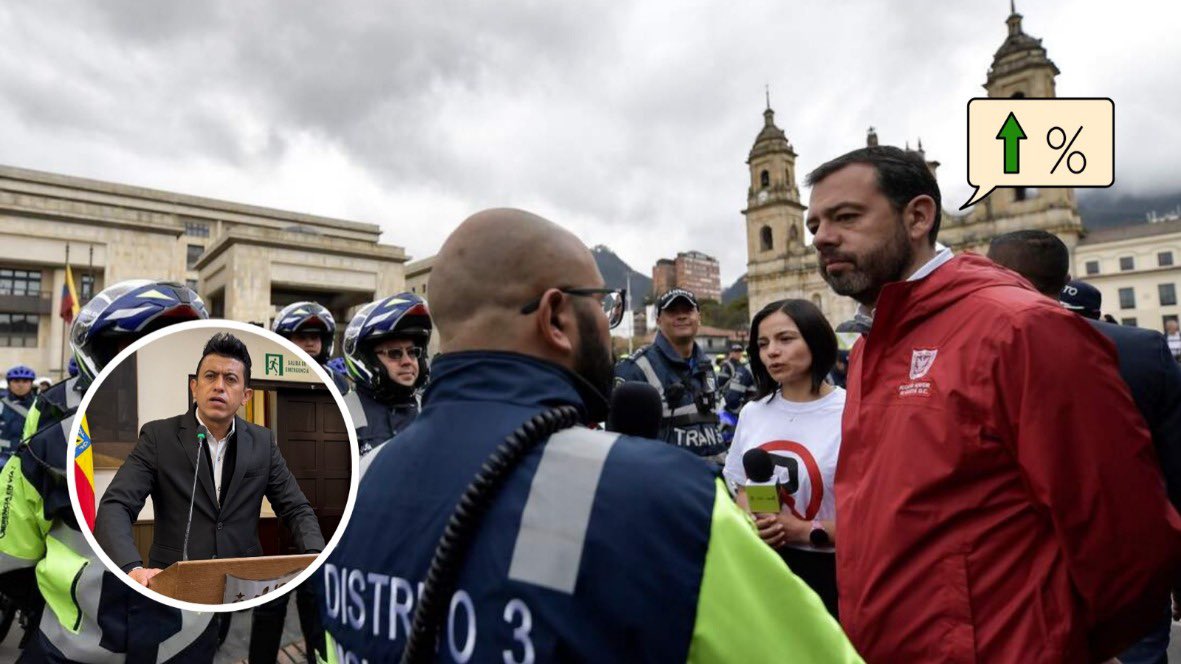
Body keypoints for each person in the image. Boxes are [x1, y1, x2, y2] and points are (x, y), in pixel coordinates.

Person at [318, 208, 860, 662]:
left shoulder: (356, 485)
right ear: (556, 317)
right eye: (602, 306)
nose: (609, 323)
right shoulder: (665, 500)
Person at [805, 145, 1181, 661]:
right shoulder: (873, 345)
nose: (823, 237)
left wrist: (1055, 646)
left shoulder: (1020, 327)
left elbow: (1124, 535)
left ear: (918, 216)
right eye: (813, 226)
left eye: (845, 216)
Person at [989, 229, 1181, 664]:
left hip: (1017, 574)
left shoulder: (972, 348)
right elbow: (1174, 469)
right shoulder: (1143, 349)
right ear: (1063, 277)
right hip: (1129, 562)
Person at [0, 279, 218, 661]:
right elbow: (11, 558)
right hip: (73, 649)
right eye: (135, 349)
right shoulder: (46, 448)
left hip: (185, 643)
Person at [95, 331, 325, 586]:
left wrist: (313, 556)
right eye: (210, 376)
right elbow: (116, 505)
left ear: (245, 396)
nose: (219, 386)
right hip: (174, 581)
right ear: (195, 387)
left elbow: (296, 508)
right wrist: (130, 567)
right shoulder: (158, 437)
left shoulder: (263, 442)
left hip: (245, 582)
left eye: (230, 379)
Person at [724, 299, 843, 619]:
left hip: (835, 576)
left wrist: (802, 530)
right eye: (763, 344)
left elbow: (875, 516)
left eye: (785, 339)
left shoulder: (852, 411)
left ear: (816, 339)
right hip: (769, 568)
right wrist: (753, 520)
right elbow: (742, 489)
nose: (771, 352)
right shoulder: (752, 412)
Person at [614, 288, 725, 460]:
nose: (681, 316)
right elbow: (621, 446)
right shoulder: (635, 369)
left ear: (699, 317)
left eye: (688, 310)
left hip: (714, 480)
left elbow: (715, 415)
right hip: (667, 482)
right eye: (672, 311)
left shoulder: (707, 368)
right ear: (658, 320)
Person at [341, 293, 432, 457]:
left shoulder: (429, 409)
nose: (407, 361)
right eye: (395, 354)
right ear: (367, 359)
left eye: (412, 352)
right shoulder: (342, 411)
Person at [272, 300, 350, 394]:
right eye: (301, 337)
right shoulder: (272, 375)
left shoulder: (337, 380)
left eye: (314, 337)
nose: (310, 343)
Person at [0, 365, 36, 457]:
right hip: (3, 456)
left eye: (25, 381)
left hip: (30, 457)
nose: (20, 385)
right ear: (9, 383)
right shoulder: (1, 404)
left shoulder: (39, 405)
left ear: (31, 383)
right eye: (16, 381)